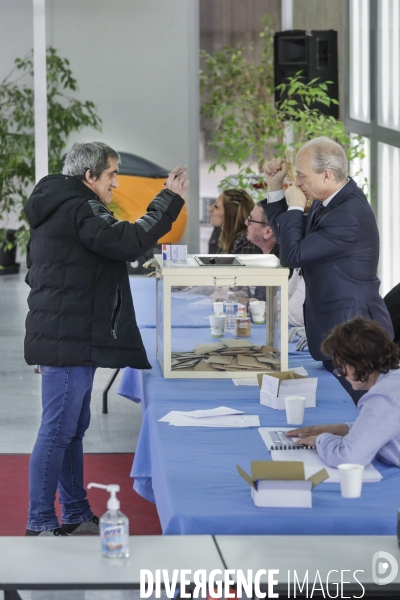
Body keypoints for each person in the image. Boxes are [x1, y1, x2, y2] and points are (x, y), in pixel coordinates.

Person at [24, 141, 189, 536]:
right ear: (89, 176)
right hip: (69, 337)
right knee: (57, 431)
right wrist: (168, 198)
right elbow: (128, 241)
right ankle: (40, 522)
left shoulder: (60, 204)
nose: (116, 183)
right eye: (112, 174)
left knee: (70, 430)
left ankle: (76, 512)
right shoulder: (81, 208)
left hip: (69, 333)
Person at [261, 137, 393, 401]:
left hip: (354, 331)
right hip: (336, 326)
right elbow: (288, 240)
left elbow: (292, 254)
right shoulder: (331, 200)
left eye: (301, 176)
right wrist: (275, 190)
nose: (297, 182)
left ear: (327, 175)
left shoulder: (348, 214)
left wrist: (296, 206)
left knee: (358, 409)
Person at [286, 318, 400, 468]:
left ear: (361, 363)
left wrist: (322, 440)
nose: (342, 375)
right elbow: (386, 424)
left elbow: (348, 458)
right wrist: (341, 429)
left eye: (341, 368)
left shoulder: (382, 397)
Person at [245, 204, 305, 328]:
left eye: (250, 219)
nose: (246, 222)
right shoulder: (259, 252)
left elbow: (289, 312)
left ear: (268, 232)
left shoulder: (284, 261)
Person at [209, 189, 262, 254]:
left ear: (231, 213)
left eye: (216, 206)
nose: (210, 208)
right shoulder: (226, 237)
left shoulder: (245, 240)